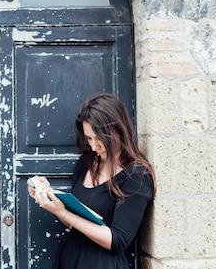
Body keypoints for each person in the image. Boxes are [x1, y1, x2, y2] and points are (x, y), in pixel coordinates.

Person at [28, 92, 156, 269]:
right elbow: (74, 220)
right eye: (89, 138)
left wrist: (64, 213)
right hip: (71, 257)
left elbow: (118, 240)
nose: (94, 146)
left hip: (101, 263)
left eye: (100, 138)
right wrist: (51, 199)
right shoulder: (87, 161)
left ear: (118, 131)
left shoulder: (136, 176)